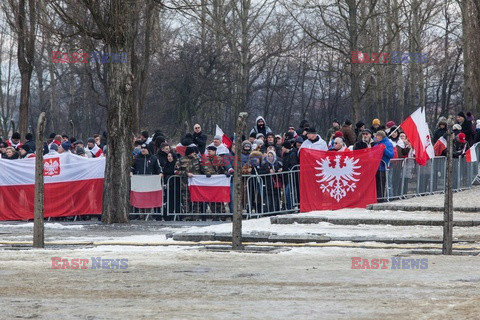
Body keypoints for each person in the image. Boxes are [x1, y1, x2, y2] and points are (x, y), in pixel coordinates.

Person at [374, 130, 394, 199]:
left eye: (377, 136)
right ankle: (377, 198)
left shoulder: (388, 144)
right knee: (376, 185)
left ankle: (381, 198)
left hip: (383, 167)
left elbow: (391, 155)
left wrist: (384, 149)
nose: (376, 137)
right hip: (375, 167)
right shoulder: (376, 144)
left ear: (381, 136)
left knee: (381, 185)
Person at [282, 141, 299, 210]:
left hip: (291, 176)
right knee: (288, 193)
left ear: (286, 147)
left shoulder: (292, 155)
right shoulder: (285, 155)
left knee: (288, 192)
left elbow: (293, 165)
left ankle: (290, 207)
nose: (282, 148)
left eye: (283, 147)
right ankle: (290, 207)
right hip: (287, 176)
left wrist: (286, 169)